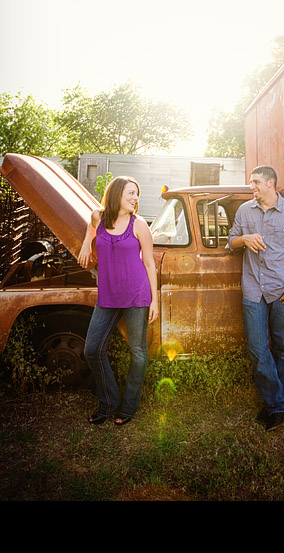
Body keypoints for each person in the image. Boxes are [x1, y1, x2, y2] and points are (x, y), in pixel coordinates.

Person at [228, 166, 284, 431]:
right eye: (250, 182)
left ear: (270, 183)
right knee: (257, 349)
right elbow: (231, 242)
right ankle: (279, 404)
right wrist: (244, 239)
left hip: (283, 291)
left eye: (255, 182)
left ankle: (275, 404)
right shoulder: (244, 211)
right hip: (253, 290)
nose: (251, 186)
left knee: (283, 348)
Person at [77, 176, 158, 426]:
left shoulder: (139, 225)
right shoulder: (98, 218)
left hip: (136, 295)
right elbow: (91, 227)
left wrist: (154, 301)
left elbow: (149, 263)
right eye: (130, 193)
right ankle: (109, 402)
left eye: (136, 193)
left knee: (138, 352)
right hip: (108, 295)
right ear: (116, 194)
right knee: (92, 349)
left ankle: (129, 406)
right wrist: (86, 244)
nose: (135, 198)